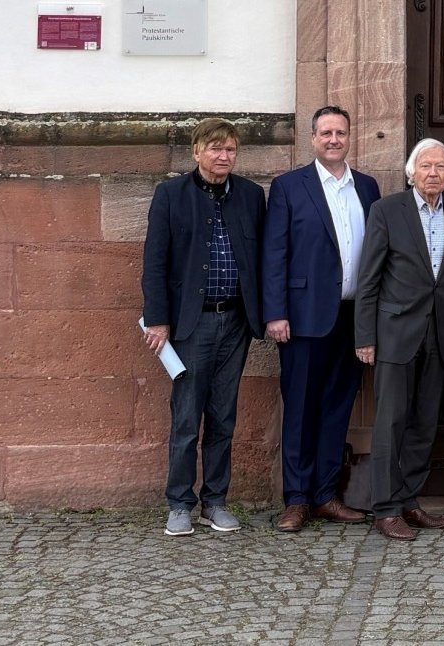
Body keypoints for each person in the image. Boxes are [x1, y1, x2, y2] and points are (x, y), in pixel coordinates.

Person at [140, 118, 266, 536]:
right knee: (187, 417)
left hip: (236, 321)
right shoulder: (171, 195)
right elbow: (154, 262)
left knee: (223, 416)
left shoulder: (249, 196)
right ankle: (179, 503)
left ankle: (215, 501)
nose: (223, 156)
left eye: (230, 149)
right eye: (215, 148)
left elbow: (261, 259)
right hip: (190, 325)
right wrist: (157, 320)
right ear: (196, 152)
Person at [263, 106, 381, 532]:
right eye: (326, 133)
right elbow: (274, 253)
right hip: (302, 319)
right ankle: (295, 500)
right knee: (300, 409)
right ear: (312, 139)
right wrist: (275, 313)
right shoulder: (289, 187)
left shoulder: (367, 188)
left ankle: (325, 495)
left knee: (337, 409)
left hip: (352, 319)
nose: (334, 139)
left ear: (351, 137)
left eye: (341, 133)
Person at [355, 138, 444, 541]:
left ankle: (408, 500)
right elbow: (368, 280)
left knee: (425, 422)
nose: (433, 173)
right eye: (426, 166)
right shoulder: (387, 211)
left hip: (440, 335)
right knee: (390, 422)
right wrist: (365, 336)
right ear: (411, 173)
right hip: (395, 334)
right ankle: (384, 508)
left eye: (441, 167)